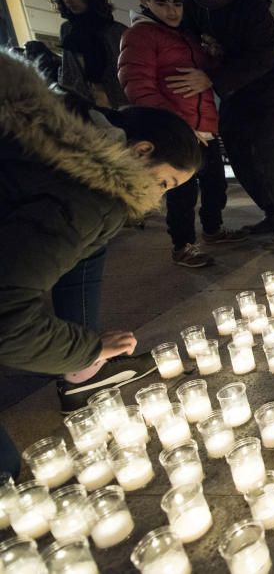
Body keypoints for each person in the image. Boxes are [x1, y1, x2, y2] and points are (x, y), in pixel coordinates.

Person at [0, 50, 200, 434]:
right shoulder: (90, 198)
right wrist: (88, 347)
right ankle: (83, 365)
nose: (158, 197)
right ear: (142, 150)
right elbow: (8, 322)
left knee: (91, 245)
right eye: (164, 183)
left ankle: (83, 372)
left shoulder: (70, 128)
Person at [172, 0, 274, 252]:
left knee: (267, 148)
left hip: (265, 88)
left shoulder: (250, 3)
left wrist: (213, 78)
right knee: (237, 150)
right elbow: (188, 40)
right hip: (233, 92)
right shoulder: (192, 3)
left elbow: (264, 56)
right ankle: (271, 213)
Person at [118, 0, 247, 269]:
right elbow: (137, 85)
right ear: (144, 1)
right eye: (162, 3)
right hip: (175, 131)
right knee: (181, 190)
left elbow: (209, 71)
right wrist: (176, 125)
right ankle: (183, 244)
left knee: (215, 184)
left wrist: (213, 56)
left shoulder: (186, 36)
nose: (172, 11)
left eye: (176, 3)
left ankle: (213, 228)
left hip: (205, 127)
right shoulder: (140, 35)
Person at [45, 0, 128, 108]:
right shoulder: (68, 30)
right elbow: (69, 71)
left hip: (118, 101)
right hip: (84, 103)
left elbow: (125, 73)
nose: (67, 0)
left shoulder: (116, 30)